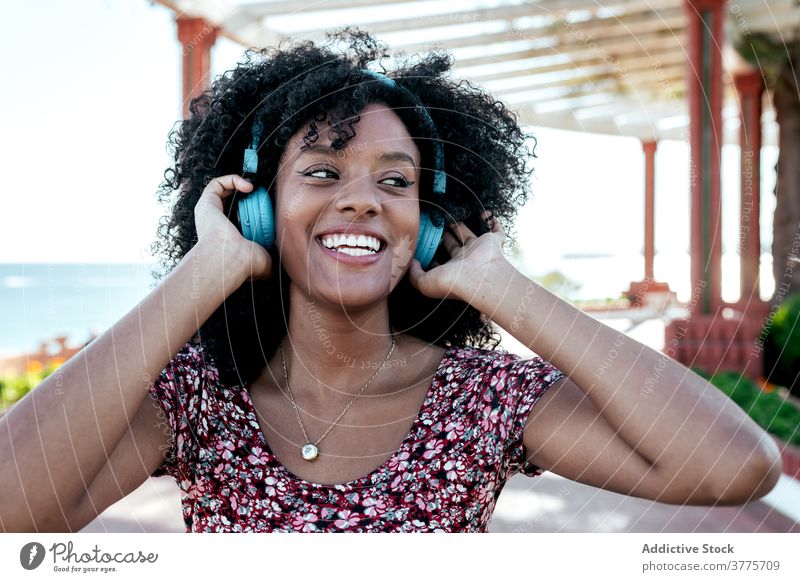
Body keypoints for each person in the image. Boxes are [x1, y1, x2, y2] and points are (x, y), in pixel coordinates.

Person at [0, 29, 782, 533]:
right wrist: (203, 273)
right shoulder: (198, 398)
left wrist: (499, 285)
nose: (362, 199)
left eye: (397, 181)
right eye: (321, 171)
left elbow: (736, 466)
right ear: (259, 210)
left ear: (431, 220)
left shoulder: (480, 400)